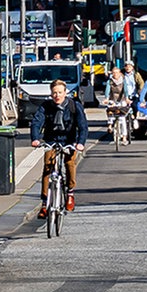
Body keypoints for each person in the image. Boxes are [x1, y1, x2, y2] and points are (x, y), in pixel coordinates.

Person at [29, 79, 88, 214]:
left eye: (60, 92)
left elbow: (83, 126)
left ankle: (70, 193)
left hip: (69, 140)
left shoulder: (74, 106)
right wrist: (36, 138)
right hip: (51, 140)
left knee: (69, 164)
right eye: (54, 93)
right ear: (51, 94)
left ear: (65, 93)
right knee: (48, 167)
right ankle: (45, 202)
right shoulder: (46, 106)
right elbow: (37, 122)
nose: (57, 96)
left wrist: (80, 143)